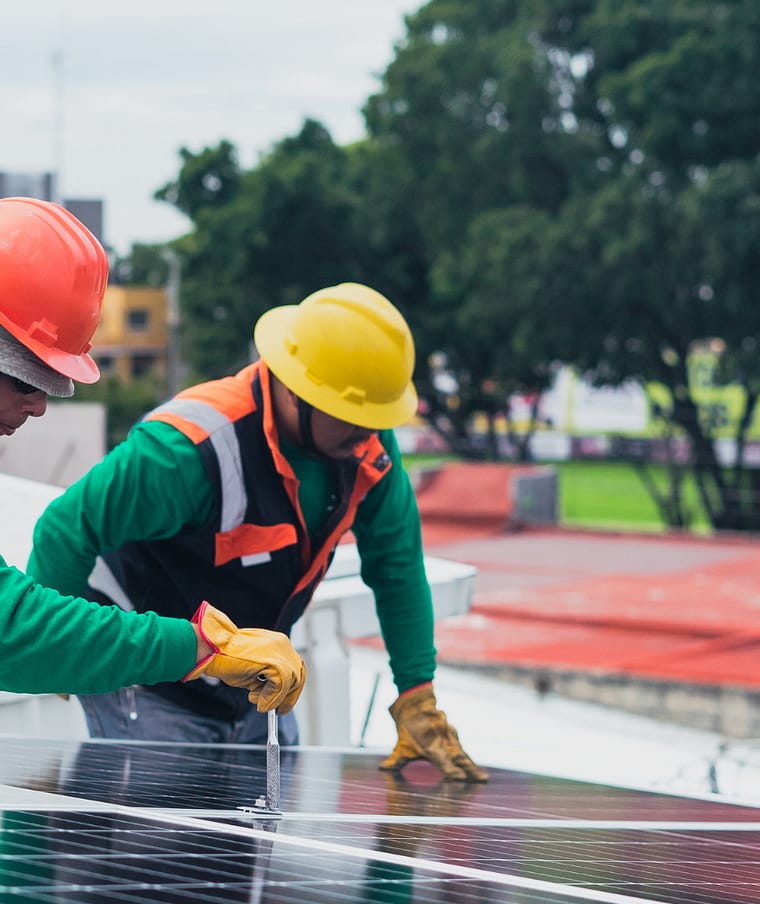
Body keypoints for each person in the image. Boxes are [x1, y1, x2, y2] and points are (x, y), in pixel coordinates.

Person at [27, 277, 488, 782]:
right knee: (160, 845)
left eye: (377, 420)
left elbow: (397, 570)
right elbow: (65, 529)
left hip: (255, 687)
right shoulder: (188, 448)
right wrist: (61, 658)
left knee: (251, 844)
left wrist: (417, 694)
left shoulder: (368, 455)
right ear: (296, 389)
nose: (368, 434)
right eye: (353, 416)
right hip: (150, 683)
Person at [0, 196, 305, 714]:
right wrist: (201, 647)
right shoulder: (184, 452)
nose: (39, 406)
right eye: (25, 378)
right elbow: (11, 628)